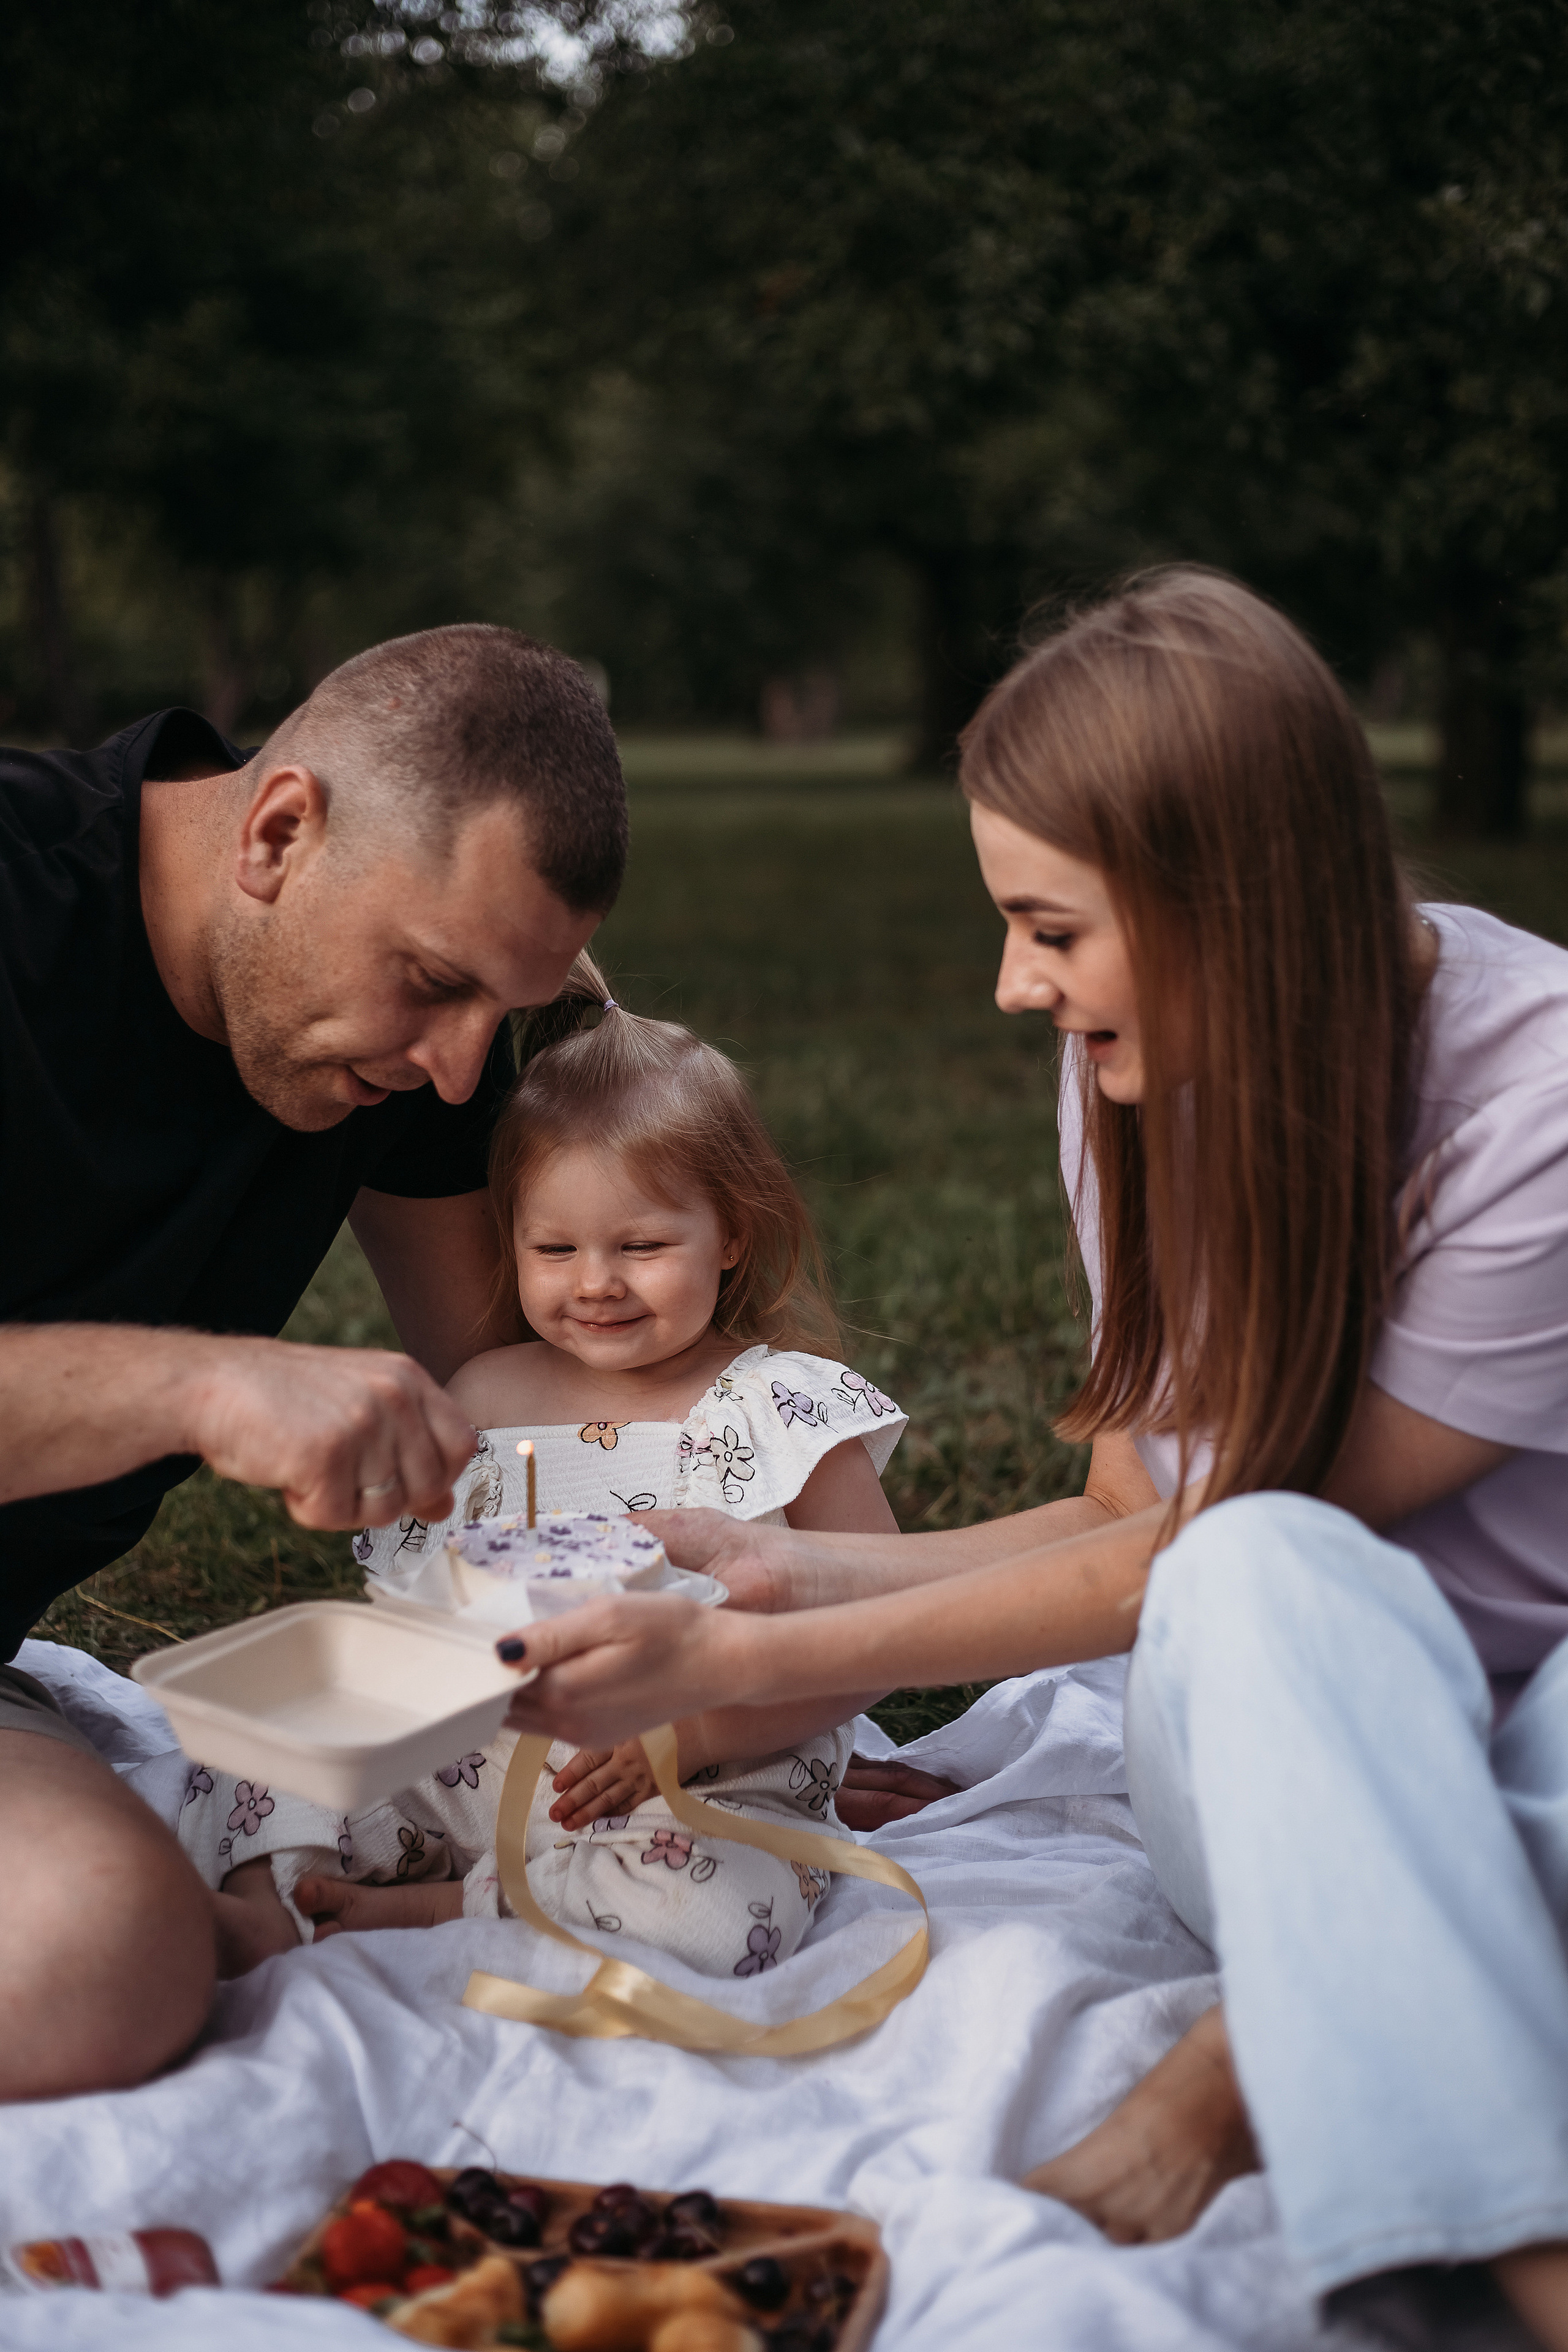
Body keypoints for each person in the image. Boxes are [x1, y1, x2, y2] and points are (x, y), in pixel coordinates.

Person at [488, 571, 1568, 2346]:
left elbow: (1196, 1533)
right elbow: (1144, 1516)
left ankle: (1278, 2057)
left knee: (1282, 1562)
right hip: (1278, 1745)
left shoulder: (1538, 1109)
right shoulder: (1135, 1072)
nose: (1012, 984)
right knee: (1262, 1571)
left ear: (1230, 899)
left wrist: (744, 1665)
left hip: (1522, 1721)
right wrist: (795, 1571)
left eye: (1050, 927)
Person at [0, 624, 625, 2099]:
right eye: (432, 980)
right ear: (279, 832)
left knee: (96, 1960)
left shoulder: (399, 1054)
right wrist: (203, 1388)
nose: (457, 1067)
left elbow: (509, 1394)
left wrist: (739, 1676)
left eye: (498, 1011)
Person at [186, 961, 905, 1981]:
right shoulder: (485, 1393)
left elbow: (880, 1631)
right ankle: (268, 1907)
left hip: (693, 1776)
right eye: (555, 1249)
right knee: (257, 1746)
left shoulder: (782, 1407)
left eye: (641, 1245)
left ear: (731, 1235)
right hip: (478, 1751)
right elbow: (422, 1587)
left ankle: (447, 1906)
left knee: (716, 1911)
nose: (596, 1283)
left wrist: (706, 1733)